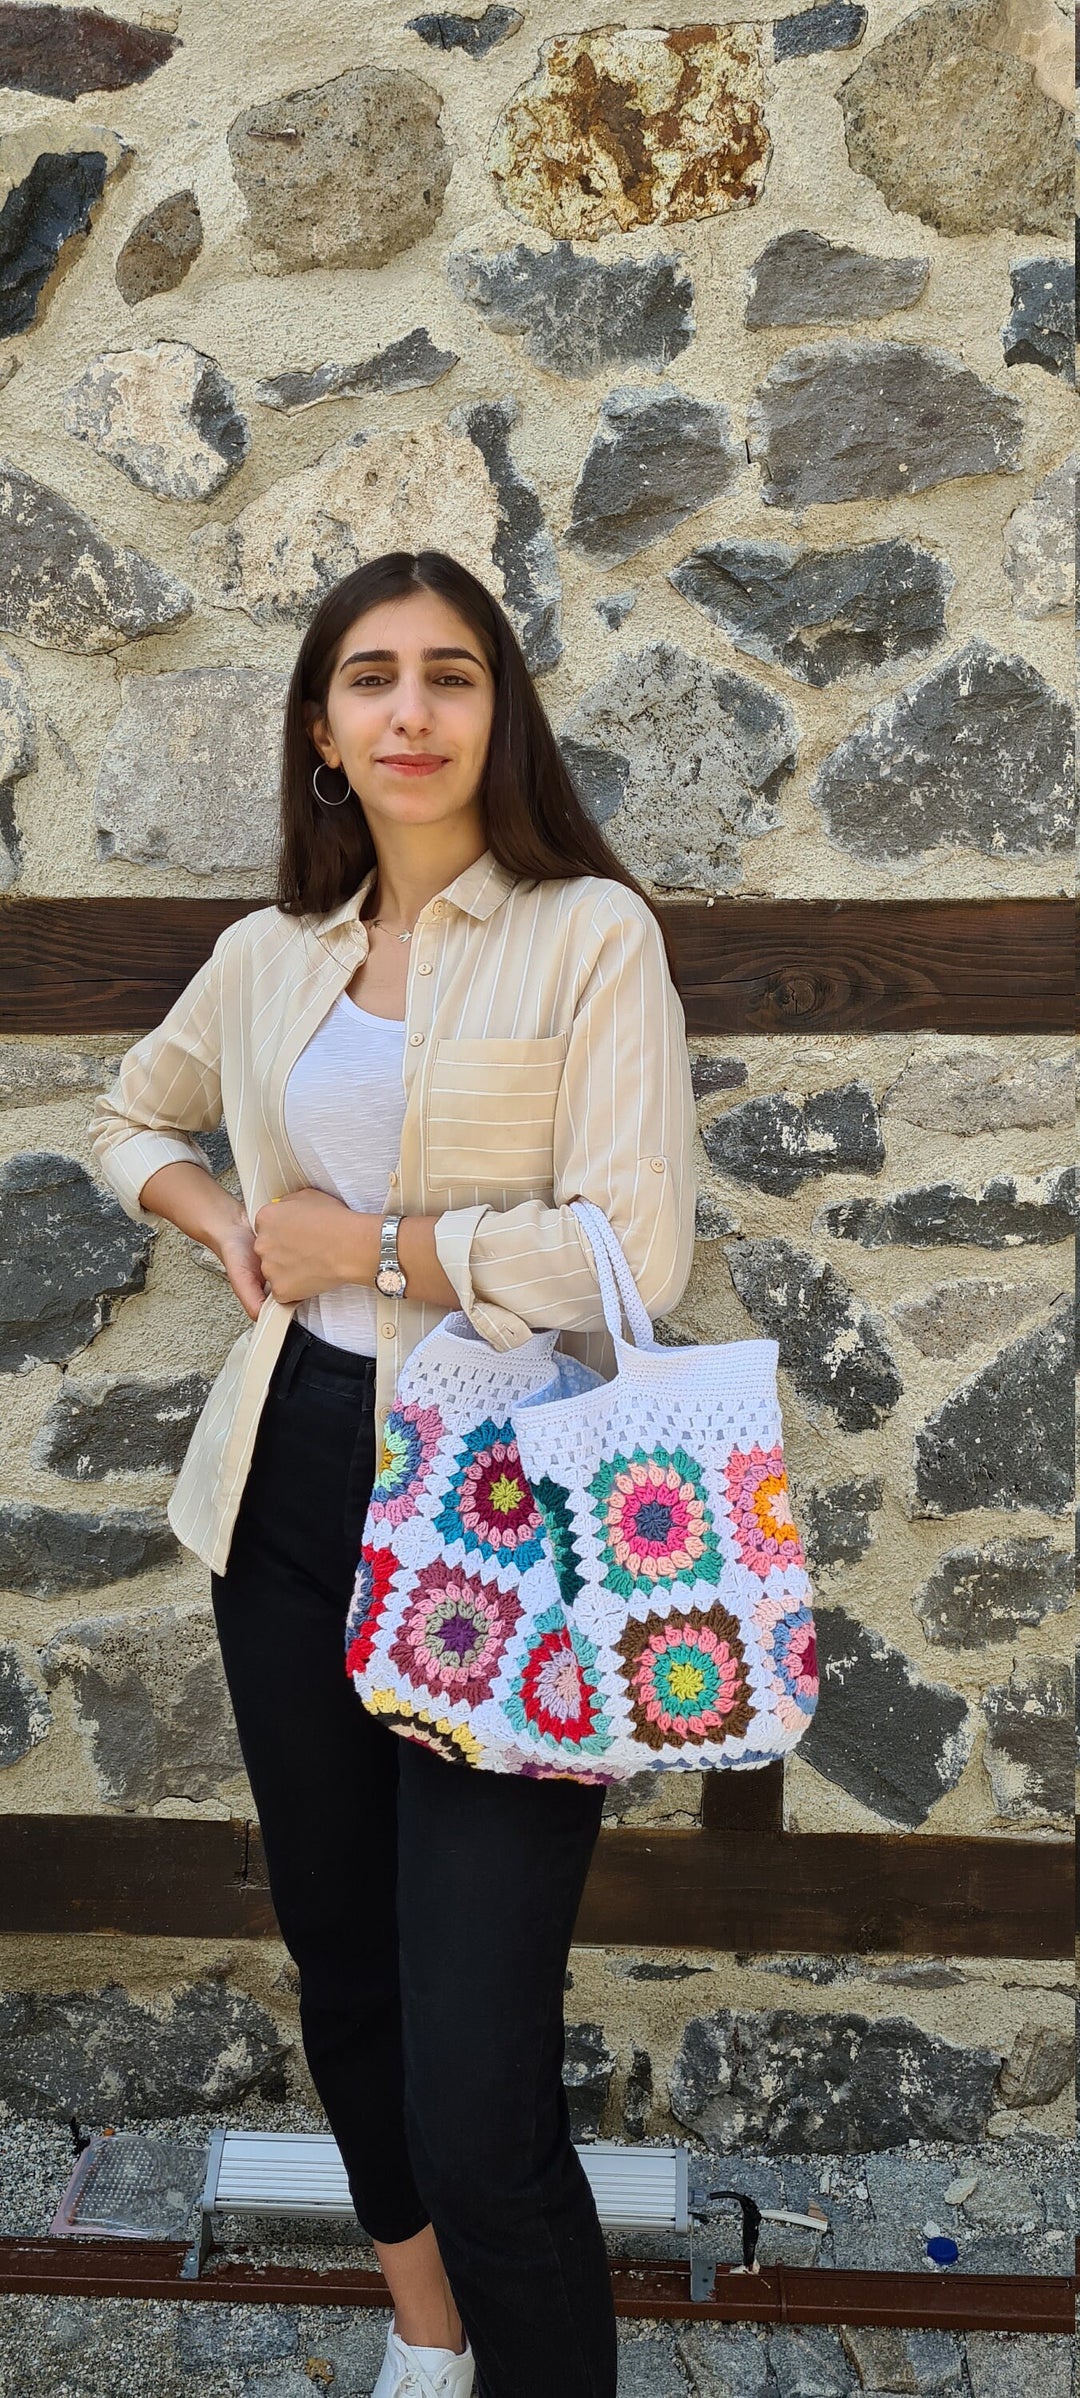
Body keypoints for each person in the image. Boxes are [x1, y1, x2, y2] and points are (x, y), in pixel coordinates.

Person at [89, 548, 697, 2398]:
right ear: (324, 729)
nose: (412, 710)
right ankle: (429, 2347)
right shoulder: (272, 959)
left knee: (479, 2064)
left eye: (451, 674)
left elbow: (632, 1255)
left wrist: (378, 1243)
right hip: (287, 1497)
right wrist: (224, 1223)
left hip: (504, 1528)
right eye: (372, 678)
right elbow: (131, 1113)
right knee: (346, 1977)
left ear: (498, 713)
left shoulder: (594, 934)